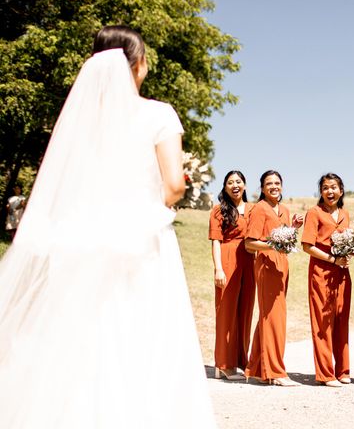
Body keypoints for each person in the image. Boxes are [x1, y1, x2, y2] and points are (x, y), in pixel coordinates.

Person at [0, 26, 216, 428]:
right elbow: (172, 186)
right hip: (142, 243)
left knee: (89, 341)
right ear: (136, 65)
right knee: (144, 337)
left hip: (82, 243)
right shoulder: (157, 114)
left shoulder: (80, 125)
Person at [244, 170, 303, 386]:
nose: (274, 186)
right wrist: (272, 244)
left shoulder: (285, 210)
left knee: (270, 316)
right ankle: (275, 372)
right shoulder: (260, 209)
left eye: (277, 182)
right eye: (269, 183)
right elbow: (249, 243)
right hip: (266, 266)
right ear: (262, 188)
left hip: (282, 265)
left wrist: (293, 228)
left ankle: (257, 368)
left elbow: (284, 238)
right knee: (274, 317)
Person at [301, 173, 351, 387]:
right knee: (323, 322)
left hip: (342, 274)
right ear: (320, 192)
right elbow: (307, 246)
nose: (330, 192)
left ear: (341, 190)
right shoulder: (314, 213)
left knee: (341, 319)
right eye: (325, 188)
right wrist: (333, 259)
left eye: (334, 187)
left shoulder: (345, 214)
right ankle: (325, 374)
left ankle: (343, 370)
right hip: (321, 272)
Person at [208, 170, 255, 381]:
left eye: (238, 181)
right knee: (226, 311)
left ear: (245, 185)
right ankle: (223, 364)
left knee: (245, 313)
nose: (235, 185)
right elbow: (216, 240)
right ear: (225, 187)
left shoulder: (254, 209)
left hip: (250, 262)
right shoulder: (219, 211)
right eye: (230, 182)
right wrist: (218, 268)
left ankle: (240, 361)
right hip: (228, 259)